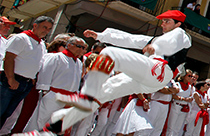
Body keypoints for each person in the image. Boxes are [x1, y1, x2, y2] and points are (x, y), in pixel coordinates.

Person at [57, 10, 191, 113]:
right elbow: (129, 39)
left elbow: (174, 40)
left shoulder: (182, 36)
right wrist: (100, 36)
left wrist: (156, 47)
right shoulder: (154, 39)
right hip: (147, 80)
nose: (163, 24)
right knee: (110, 87)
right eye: (163, 21)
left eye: (167, 21)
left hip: (157, 73)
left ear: (178, 24)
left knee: (110, 52)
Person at [13, 36, 86, 136]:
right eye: (79, 46)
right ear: (69, 45)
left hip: (67, 97)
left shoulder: (78, 62)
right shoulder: (55, 57)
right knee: (37, 121)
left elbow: (76, 80)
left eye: (83, 47)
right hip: (53, 94)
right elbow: (46, 73)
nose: (81, 49)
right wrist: (45, 90)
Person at [1, 16, 53, 128]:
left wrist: (32, 79)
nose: (46, 31)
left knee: (7, 114)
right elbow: (9, 58)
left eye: (49, 29)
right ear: (35, 25)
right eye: (44, 27)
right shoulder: (21, 38)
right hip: (11, 81)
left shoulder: (42, 44)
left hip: (25, 83)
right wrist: (11, 78)